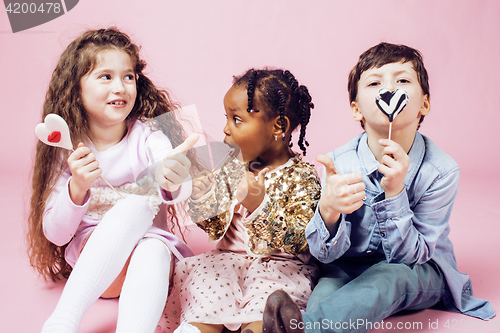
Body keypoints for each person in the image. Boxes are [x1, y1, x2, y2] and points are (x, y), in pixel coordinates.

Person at [263, 42, 495, 333]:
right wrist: (329, 211)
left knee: (388, 278)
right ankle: (308, 327)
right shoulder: (338, 163)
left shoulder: (441, 171)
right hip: (348, 267)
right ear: (356, 109)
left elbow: (409, 258)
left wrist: (395, 192)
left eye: (403, 80)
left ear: (425, 103)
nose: (390, 89)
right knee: (323, 296)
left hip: (417, 271)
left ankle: (306, 329)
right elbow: (324, 255)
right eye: (374, 82)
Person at [27, 27, 201, 333]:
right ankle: (64, 319)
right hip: (98, 268)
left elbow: (173, 176)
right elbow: (55, 233)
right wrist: (77, 187)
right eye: (105, 76)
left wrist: (172, 177)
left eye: (128, 76)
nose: (120, 86)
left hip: (150, 264)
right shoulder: (69, 147)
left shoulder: (149, 135)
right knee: (136, 204)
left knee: (154, 245)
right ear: (75, 88)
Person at [161, 68, 321, 333]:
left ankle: (257, 327)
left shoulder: (302, 176)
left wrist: (259, 206)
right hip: (225, 262)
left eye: (237, 119)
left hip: (279, 268)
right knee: (205, 292)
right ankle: (198, 328)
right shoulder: (231, 166)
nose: (225, 129)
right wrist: (203, 199)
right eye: (227, 118)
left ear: (278, 126)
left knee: (269, 303)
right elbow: (214, 228)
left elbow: (300, 239)